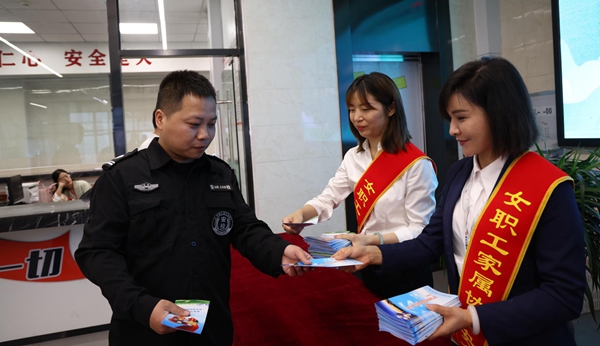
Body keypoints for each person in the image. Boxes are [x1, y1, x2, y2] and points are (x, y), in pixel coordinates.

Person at [332, 57, 586, 346]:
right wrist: (372, 253)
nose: (452, 130)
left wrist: (474, 317)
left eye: (461, 118)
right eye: (450, 119)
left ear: (500, 114)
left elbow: (563, 296)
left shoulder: (549, 187)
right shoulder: (460, 172)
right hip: (465, 335)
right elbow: (430, 243)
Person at [75, 70, 312, 345]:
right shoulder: (122, 177)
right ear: (160, 119)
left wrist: (278, 251)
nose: (205, 135)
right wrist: (142, 306)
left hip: (211, 327)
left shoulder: (220, 174)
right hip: (144, 328)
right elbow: (97, 252)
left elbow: (244, 227)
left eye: (211, 124)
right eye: (194, 124)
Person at [282, 72, 438, 298]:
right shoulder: (353, 157)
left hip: (403, 263)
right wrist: (302, 215)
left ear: (391, 109)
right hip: (365, 260)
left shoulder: (415, 164)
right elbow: (329, 197)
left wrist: (373, 240)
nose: (357, 117)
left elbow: (419, 229)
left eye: (366, 108)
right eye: (352, 109)